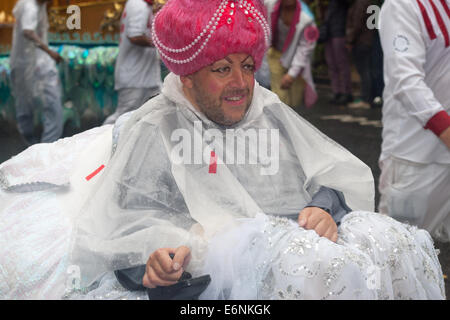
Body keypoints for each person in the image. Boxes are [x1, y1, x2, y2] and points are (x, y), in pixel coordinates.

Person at [0, 0, 445, 300]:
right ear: (187, 77)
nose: (241, 82)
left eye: (248, 65)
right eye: (221, 68)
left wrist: (322, 208)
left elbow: (323, 175)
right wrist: (158, 261)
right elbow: (129, 225)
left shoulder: (266, 111)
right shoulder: (155, 128)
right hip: (231, 271)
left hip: (295, 243)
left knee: (389, 240)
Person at [378, 0, 450, 242]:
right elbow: (405, 80)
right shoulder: (402, 4)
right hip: (415, 157)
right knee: (398, 252)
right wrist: (445, 129)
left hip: (440, 153)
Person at [10, 0, 64, 145]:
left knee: (29, 108)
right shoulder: (30, 6)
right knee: (46, 108)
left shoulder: (37, 4)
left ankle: (40, 147)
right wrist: (49, 52)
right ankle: (40, 148)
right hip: (34, 65)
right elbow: (27, 31)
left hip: (32, 64)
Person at [103, 0, 163, 125]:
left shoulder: (146, 4)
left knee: (156, 114)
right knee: (121, 119)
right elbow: (134, 36)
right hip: (134, 77)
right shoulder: (138, 4)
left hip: (148, 78)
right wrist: (159, 44)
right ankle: (99, 142)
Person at [266, 0, 319, 108]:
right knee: (279, 96)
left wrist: (292, 74)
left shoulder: (307, 18)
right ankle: (281, 121)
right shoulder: (270, 4)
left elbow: (305, 49)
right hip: (275, 54)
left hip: (297, 58)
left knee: (295, 98)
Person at [322, 0, 353, 105]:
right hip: (329, 33)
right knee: (332, 65)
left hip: (339, 33)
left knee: (342, 64)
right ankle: (337, 91)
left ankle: (346, 92)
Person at [345, 0, 375, 110]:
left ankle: (365, 99)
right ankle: (367, 97)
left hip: (361, 41)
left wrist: (349, 40)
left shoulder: (360, 3)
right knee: (366, 70)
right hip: (367, 40)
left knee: (364, 71)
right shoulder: (367, 2)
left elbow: (357, 23)